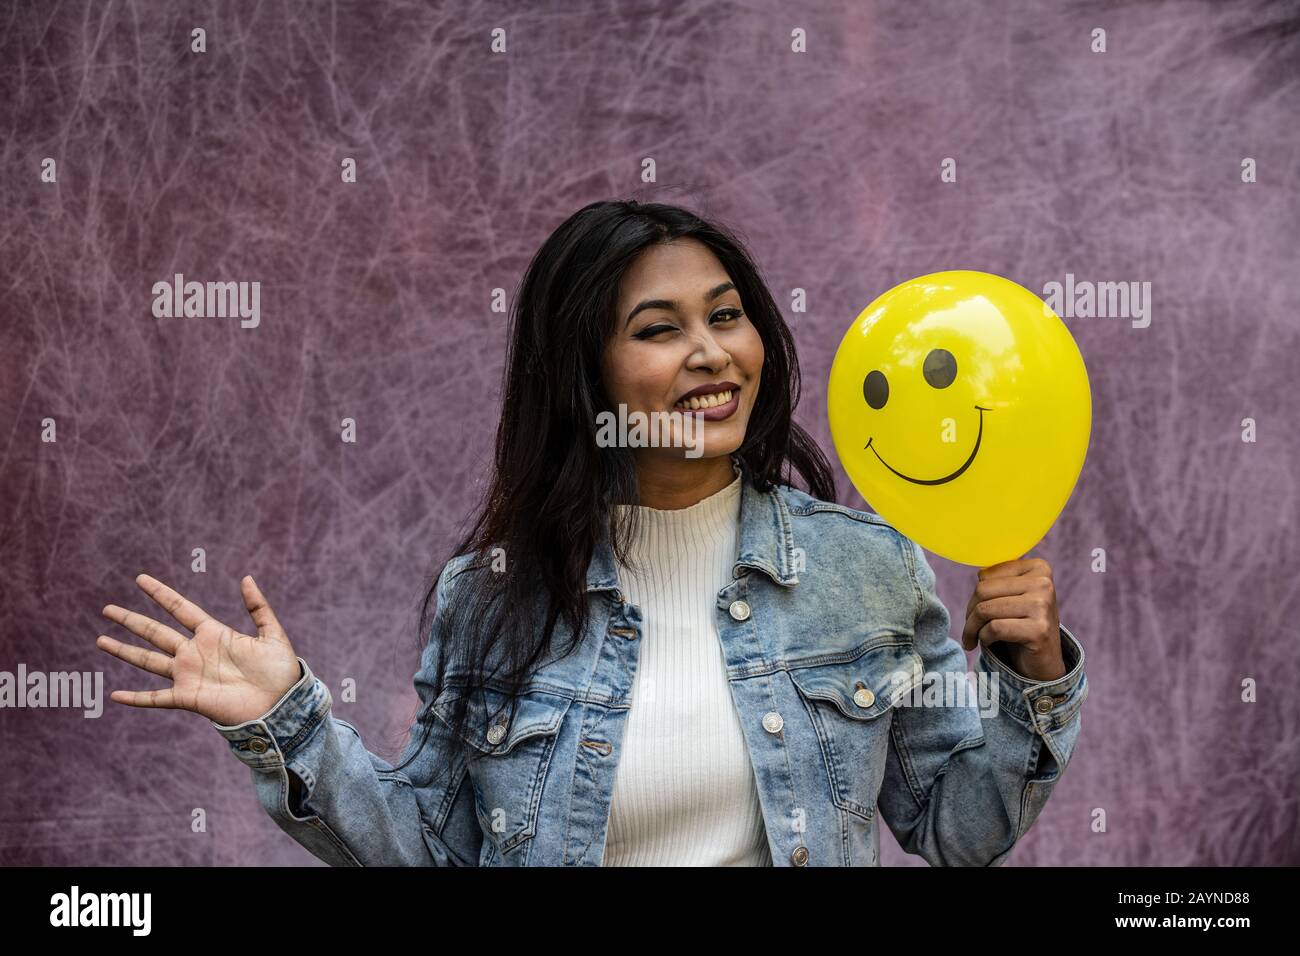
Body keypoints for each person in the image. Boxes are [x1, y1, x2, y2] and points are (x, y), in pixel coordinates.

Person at [95, 199, 1087, 866]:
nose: (712, 353)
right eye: (658, 329)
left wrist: (1034, 676)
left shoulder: (865, 570)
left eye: (727, 315)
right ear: (586, 371)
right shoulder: (491, 592)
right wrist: (286, 719)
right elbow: (431, 844)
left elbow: (956, 825)